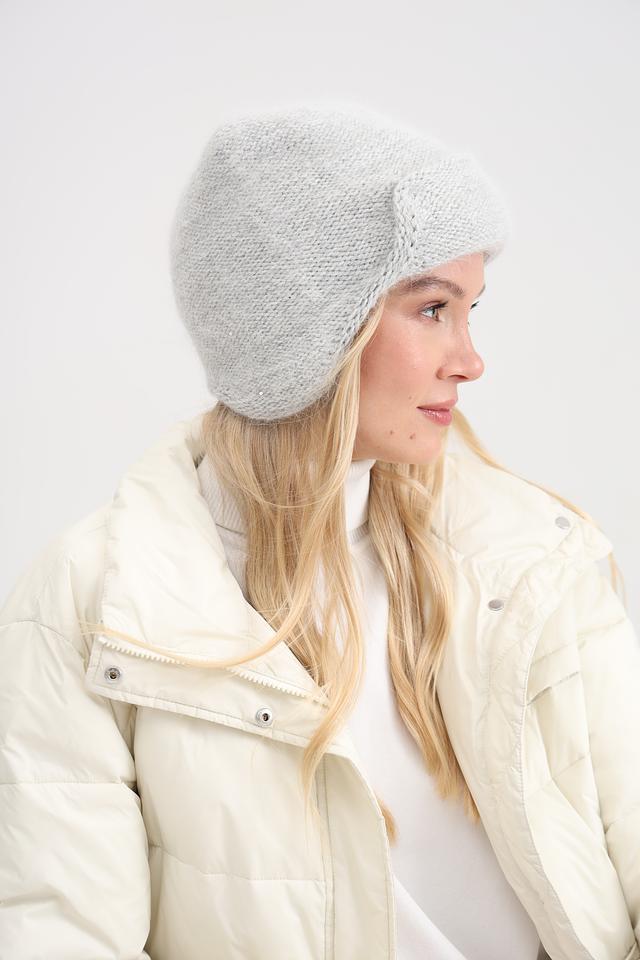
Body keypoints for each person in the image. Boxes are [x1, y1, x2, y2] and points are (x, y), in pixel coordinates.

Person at [1, 102, 639, 960]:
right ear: (306, 331)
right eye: (432, 309)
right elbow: (60, 933)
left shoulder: (530, 562)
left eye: (471, 311)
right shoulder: (95, 603)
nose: (470, 360)